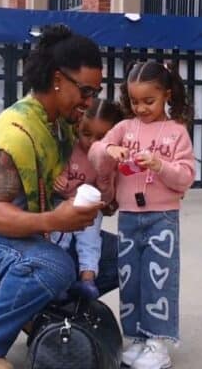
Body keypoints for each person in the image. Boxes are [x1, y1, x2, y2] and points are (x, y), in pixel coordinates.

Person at [0, 25, 119, 369]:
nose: (89, 102)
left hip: (36, 232)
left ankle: (32, 311)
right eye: (85, 91)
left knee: (122, 256)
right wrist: (57, 219)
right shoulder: (16, 134)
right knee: (54, 265)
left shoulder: (63, 123)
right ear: (57, 78)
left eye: (95, 92)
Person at [90, 61, 195, 369]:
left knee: (158, 280)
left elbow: (186, 176)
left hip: (162, 217)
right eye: (135, 101)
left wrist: (160, 165)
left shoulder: (176, 132)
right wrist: (109, 150)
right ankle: (136, 338)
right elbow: (97, 150)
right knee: (130, 278)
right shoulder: (124, 128)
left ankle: (158, 342)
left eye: (149, 101)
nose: (141, 108)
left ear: (167, 94)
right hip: (129, 217)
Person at [49, 98, 124, 300]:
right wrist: (59, 178)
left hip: (90, 209)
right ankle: (56, 279)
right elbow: (57, 170)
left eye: (101, 138)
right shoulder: (70, 148)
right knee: (59, 237)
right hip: (63, 203)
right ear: (78, 128)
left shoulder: (109, 161)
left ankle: (87, 279)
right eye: (86, 133)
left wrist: (104, 178)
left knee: (90, 241)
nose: (91, 142)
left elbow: (108, 200)